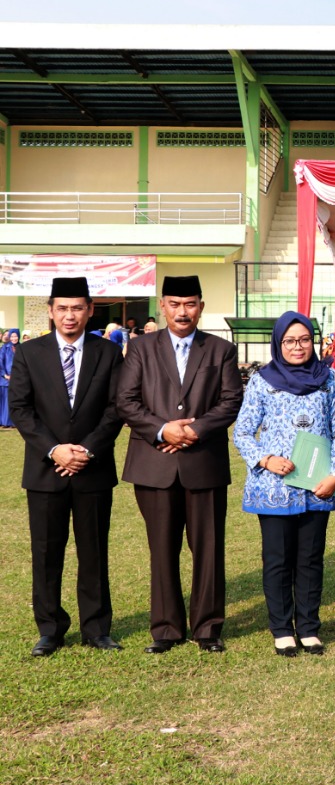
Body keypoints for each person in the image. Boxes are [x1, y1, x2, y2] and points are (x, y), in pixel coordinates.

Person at [117, 275, 243, 654]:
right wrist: (162, 429)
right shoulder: (140, 348)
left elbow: (230, 399)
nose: (182, 311)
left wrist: (195, 430)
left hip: (203, 461)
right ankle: (166, 629)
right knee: (162, 547)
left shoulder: (220, 349)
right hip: (154, 463)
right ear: (163, 305)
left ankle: (207, 628)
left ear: (201, 306)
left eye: (190, 303)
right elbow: (126, 400)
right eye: (175, 303)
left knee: (208, 548)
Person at [10, 277, 125, 657]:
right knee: (46, 552)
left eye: (77, 308)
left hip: (92, 468)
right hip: (46, 470)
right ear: (50, 310)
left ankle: (96, 627)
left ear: (90, 310)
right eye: (62, 308)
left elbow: (116, 409)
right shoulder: (30, 352)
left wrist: (87, 450)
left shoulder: (108, 353)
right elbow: (21, 410)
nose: (70, 315)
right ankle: (50, 628)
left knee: (94, 550)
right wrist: (55, 449)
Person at [233, 311, 335, 658]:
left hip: (318, 486)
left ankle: (309, 628)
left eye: (304, 340)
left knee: (311, 559)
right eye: (289, 341)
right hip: (274, 488)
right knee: (278, 559)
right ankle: (282, 629)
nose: (297, 347)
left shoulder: (328, 379)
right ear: (278, 343)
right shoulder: (262, 381)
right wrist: (266, 459)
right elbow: (242, 431)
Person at [0, 327, 19, 428]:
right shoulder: (5, 348)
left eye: (15, 336)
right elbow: (1, 362)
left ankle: (14, 422)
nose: (14, 338)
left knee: (16, 401)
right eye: (12, 336)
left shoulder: (22, 348)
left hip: (18, 378)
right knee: (6, 401)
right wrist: (5, 375)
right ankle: (5, 422)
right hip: (6, 379)